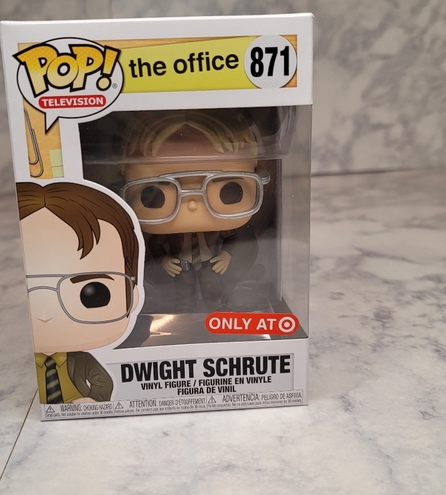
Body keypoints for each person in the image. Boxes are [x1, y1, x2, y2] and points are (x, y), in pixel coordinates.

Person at [122, 110, 268, 312]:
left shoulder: (220, 229)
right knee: (184, 297)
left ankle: (218, 314)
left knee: (214, 294)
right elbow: (155, 244)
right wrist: (164, 260)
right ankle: (184, 315)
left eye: (228, 191)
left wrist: (226, 255)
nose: (192, 205)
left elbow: (231, 237)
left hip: (209, 265)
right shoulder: (168, 232)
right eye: (156, 194)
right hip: (182, 267)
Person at [16, 181, 141, 404]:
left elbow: (104, 383)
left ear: (132, 295)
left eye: (92, 294)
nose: (45, 315)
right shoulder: (22, 363)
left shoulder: (81, 360)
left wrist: (94, 400)